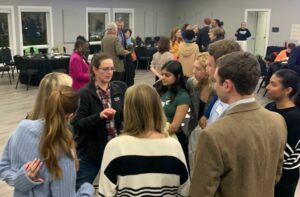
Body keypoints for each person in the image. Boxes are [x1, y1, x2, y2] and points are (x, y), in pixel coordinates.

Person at [190, 51, 287, 197]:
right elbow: (277, 174)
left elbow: (201, 192)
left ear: (227, 85)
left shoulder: (213, 135)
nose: (214, 85)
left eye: (216, 81)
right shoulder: (277, 121)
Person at [0, 86, 94, 196]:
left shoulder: (22, 127)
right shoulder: (65, 152)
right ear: (71, 115)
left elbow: (3, 168)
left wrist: (21, 179)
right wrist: (87, 190)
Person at [98, 84, 190, 196]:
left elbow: (105, 193)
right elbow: (185, 191)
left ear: (128, 110)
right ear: (158, 108)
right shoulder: (174, 146)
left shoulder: (115, 147)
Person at [72, 53, 127, 190]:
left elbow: (123, 117)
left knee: (117, 188)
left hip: (115, 149)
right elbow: (78, 124)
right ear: (95, 70)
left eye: (112, 69)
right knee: (80, 187)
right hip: (92, 153)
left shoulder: (117, 90)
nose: (109, 73)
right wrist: (99, 116)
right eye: (105, 69)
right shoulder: (84, 93)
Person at [265, 69, 300, 197]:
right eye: (269, 83)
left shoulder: (295, 118)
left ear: (288, 90)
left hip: (283, 178)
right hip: (266, 172)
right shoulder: (270, 107)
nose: (267, 87)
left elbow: (283, 154)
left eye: (273, 84)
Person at [198, 39, 241, 129]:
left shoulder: (232, 111)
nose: (207, 69)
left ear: (221, 67)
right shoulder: (221, 91)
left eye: (210, 65)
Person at [156, 60, 191, 163]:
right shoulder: (161, 90)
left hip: (172, 139)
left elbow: (175, 126)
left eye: (167, 75)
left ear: (178, 76)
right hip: (158, 134)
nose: (162, 77)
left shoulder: (183, 96)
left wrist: (154, 136)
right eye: (162, 74)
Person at [186, 52, 214, 174]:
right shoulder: (191, 83)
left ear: (208, 70)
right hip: (194, 127)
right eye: (194, 67)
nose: (193, 71)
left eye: (198, 69)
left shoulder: (218, 90)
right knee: (192, 158)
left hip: (212, 130)